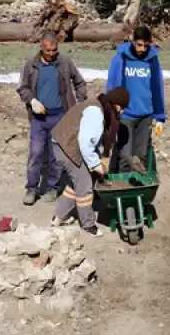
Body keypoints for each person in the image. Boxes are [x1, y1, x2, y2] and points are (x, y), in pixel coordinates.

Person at [16, 32, 88, 206]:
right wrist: (31, 100)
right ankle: (32, 188)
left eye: (54, 50)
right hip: (39, 119)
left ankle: (53, 187)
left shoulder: (64, 62)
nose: (51, 54)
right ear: (41, 47)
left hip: (60, 117)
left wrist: (80, 103)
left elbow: (80, 83)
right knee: (35, 153)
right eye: (48, 50)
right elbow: (22, 87)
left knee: (56, 155)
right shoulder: (30, 65)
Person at [49, 87, 131, 237]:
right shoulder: (96, 113)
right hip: (67, 146)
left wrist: (98, 159)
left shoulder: (98, 105)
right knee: (85, 185)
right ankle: (88, 224)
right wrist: (96, 165)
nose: (122, 112)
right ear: (116, 104)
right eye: (122, 108)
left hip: (62, 142)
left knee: (76, 183)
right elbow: (86, 143)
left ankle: (59, 217)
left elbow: (91, 141)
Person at [106, 25, 166, 174]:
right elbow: (112, 86)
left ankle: (139, 190)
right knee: (125, 156)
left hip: (145, 115)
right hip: (126, 115)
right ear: (133, 41)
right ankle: (124, 190)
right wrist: (111, 112)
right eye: (139, 45)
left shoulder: (152, 60)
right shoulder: (121, 59)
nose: (142, 50)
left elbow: (157, 87)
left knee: (141, 156)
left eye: (146, 46)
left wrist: (159, 117)